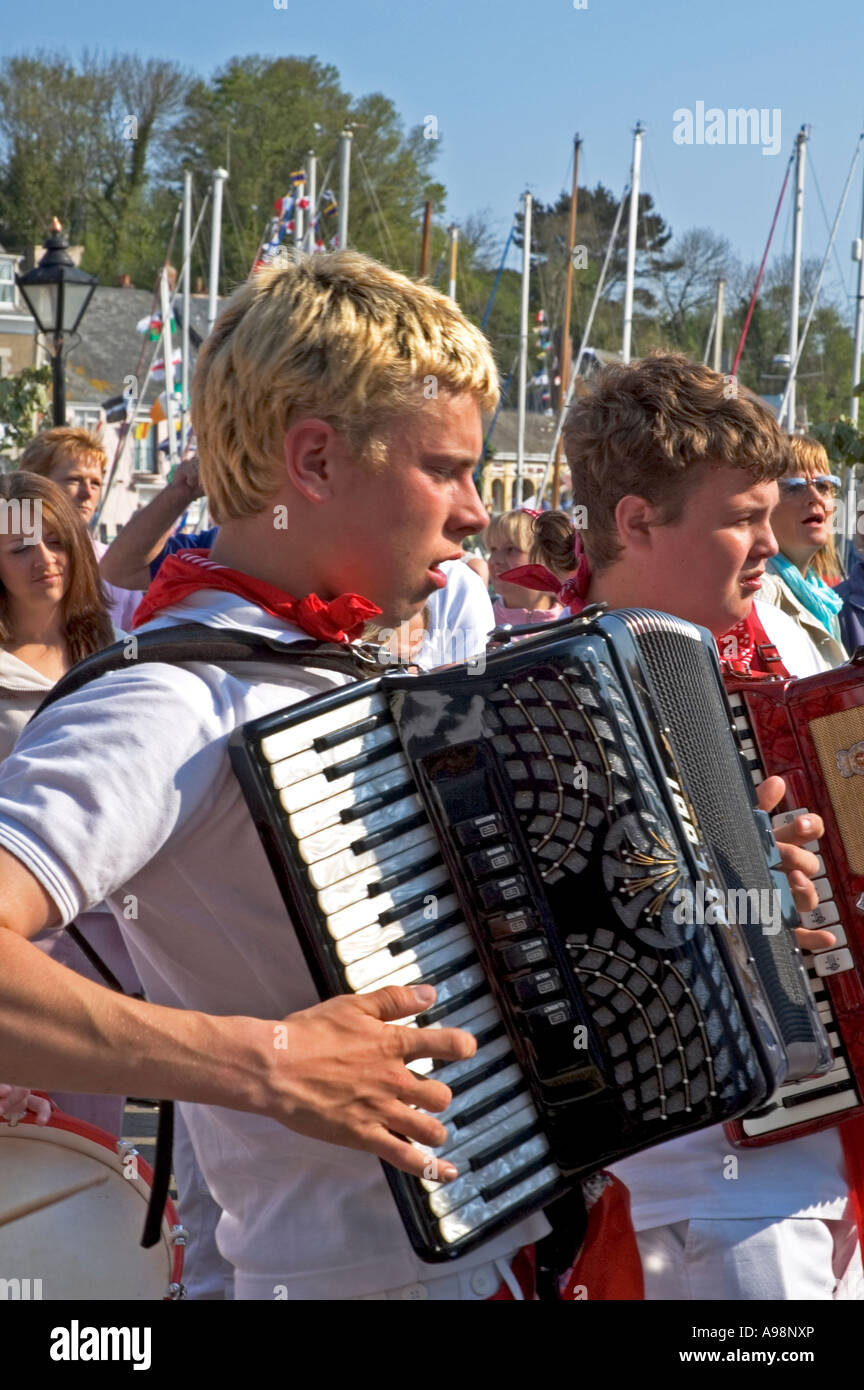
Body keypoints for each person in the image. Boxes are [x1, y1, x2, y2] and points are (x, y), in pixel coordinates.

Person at [0, 251, 557, 1301]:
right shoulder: (170, 700)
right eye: (446, 469)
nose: (479, 512)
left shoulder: (338, 667)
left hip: (477, 1255)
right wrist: (268, 1061)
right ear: (315, 462)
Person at [552, 350, 859, 1301]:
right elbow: (567, 942)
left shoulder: (773, 657)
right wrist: (750, 893)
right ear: (636, 522)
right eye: (741, 520)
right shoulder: (546, 698)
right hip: (710, 1188)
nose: (770, 545)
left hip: (818, 1169)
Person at [0, 471, 139, 1134]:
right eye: (21, 547)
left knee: (93, 1162)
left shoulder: (116, 660)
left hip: (106, 944)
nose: (44, 559)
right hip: (18, 945)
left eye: (57, 541)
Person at [18, 427, 144, 631]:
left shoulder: (114, 565)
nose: (87, 493)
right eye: (74, 480)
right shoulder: (9, 561)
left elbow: (137, 640)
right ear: (35, 482)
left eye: (96, 483)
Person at [756, 434, 847, 669]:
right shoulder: (760, 591)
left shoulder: (822, 598)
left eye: (823, 485)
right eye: (795, 487)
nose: (815, 497)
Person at [487, 509, 563, 626]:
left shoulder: (572, 621)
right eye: (493, 549)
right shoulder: (481, 621)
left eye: (511, 549)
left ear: (546, 557)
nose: (495, 560)